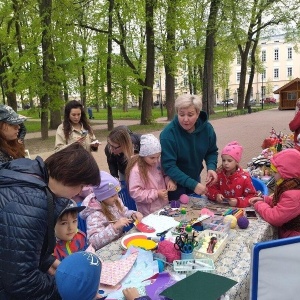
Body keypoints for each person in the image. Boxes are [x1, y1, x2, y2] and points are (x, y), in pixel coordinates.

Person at [0, 143, 100, 299]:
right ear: (69, 178)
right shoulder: (32, 202)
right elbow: (21, 282)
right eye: (80, 185)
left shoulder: (31, 175)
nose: (80, 192)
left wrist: (47, 261)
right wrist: (71, 289)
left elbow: (17, 245)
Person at [160, 94, 218, 199]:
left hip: (194, 178)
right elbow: (169, 165)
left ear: (198, 113)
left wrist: (211, 167)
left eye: (190, 115)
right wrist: (193, 184)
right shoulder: (168, 134)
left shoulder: (207, 129)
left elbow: (211, 151)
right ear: (177, 113)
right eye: (181, 115)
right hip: (175, 182)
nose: (185, 119)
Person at [80, 171, 143, 250]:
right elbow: (92, 242)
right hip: (106, 251)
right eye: (112, 195)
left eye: (117, 193)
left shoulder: (115, 201)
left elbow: (124, 212)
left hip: (119, 244)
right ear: (102, 197)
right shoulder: (94, 215)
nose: (116, 197)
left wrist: (133, 214)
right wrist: (114, 227)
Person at [249, 148, 300, 238]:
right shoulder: (289, 184)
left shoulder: (294, 194)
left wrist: (259, 204)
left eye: (275, 172)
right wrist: (265, 199)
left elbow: (275, 217)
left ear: (286, 173)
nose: (273, 174)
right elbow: (281, 202)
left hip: (293, 241)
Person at [125, 134, 177, 216]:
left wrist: (169, 181)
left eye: (158, 157)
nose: (156, 161)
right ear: (143, 155)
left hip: (163, 206)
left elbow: (164, 174)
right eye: (152, 158)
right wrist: (156, 194)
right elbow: (135, 193)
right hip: (148, 212)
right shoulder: (136, 171)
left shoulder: (156, 163)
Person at [206, 141, 257, 207]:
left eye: (229, 161)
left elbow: (252, 197)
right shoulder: (218, 174)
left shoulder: (245, 178)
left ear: (237, 162)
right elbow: (208, 189)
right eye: (224, 160)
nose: (226, 163)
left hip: (238, 210)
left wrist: (238, 202)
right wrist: (216, 195)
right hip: (220, 208)